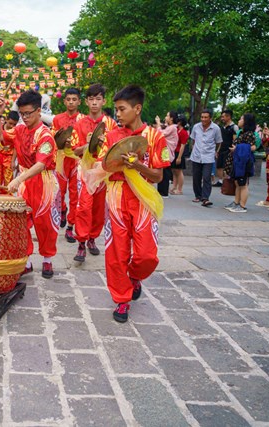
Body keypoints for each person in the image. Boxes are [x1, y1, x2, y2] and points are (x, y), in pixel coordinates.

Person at [95, 85, 170, 322]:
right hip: (116, 196)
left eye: (121, 109)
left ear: (137, 109)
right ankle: (121, 299)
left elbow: (158, 176)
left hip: (143, 196)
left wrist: (136, 165)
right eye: (116, 109)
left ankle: (135, 276)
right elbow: (102, 166)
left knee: (147, 255)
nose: (117, 114)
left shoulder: (155, 137)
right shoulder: (112, 137)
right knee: (116, 251)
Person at [0, 90, 59, 279]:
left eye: (28, 113)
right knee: (20, 222)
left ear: (39, 111)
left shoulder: (45, 135)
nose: (25, 117)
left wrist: (18, 179)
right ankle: (26, 261)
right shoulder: (20, 130)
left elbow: (41, 164)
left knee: (44, 223)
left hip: (43, 182)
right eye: (22, 114)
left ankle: (47, 259)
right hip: (24, 180)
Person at [69, 83, 118, 262]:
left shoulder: (111, 124)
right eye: (91, 99)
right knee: (84, 206)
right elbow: (75, 150)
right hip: (85, 169)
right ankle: (81, 242)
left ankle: (92, 238)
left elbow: (115, 148)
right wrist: (89, 144)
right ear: (87, 102)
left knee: (99, 208)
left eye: (98, 99)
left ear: (104, 101)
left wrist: (105, 143)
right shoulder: (80, 124)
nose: (95, 103)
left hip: (103, 170)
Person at [52, 88, 83, 239]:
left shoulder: (83, 119)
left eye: (74, 99)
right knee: (59, 192)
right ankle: (62, 209)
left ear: (79, 101)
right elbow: (53, 138)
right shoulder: (57, 119)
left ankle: (71, 225)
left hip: (77, 161)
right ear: (64, 101)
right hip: (61, 159)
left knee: (75, 194)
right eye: (68, 99)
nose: (71, 102)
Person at [190, 108, 223, 207]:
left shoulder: (216, 128)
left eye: (206, 117)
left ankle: (205, 198)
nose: (203, 119)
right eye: (202, 117)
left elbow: (218, 142)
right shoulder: (196, 127)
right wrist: (193, 149)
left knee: (206, 177)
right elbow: (193, 140)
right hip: (196, 156)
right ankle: (198, 195)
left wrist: (216, 152)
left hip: (208, 156)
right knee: (196, 177)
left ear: (210, 118)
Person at [225, 113, 256, 213]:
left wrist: (236, 148)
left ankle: (242, 206)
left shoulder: (249, 134)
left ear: (246, 122)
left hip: (244, 163)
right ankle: (236, 202)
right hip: (238, 161)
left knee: (243, 184)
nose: (239, 120)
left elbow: (250, 148)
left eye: (241, 119)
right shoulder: (242, 132)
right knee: (237, 183)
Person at [0, 111, 18, 192]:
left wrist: (13, 161)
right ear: (6, 119)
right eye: (10, 123)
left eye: (14, 124)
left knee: (8, 179)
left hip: (8, 158)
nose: (12, 126)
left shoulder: (15, 132)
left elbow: (16, 148)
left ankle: (8, 198)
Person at [154, 111, 179, 198]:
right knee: (163, 171)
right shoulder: (170, 127)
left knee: (165, 172)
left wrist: (157, 123)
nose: (166, 117)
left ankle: (164, 192)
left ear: (171, 118)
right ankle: (161, 191)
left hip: (167, 153)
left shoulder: (173, 128)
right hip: (165, 152)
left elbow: (161, 133)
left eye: (167, 116)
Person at [215, 109, 238, 187]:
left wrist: (233, 150)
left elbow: (235, 140)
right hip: (221, 149)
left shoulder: (234, 127)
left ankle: (226, 181)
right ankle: (220, 181)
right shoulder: (222, 127)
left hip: (229, 150)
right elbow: (220, 140)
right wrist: (217, 150)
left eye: (223, 117)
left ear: (229, 116)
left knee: (226, 167)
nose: (222, 118)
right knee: (219, 166)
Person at [170, 116, 189, 195]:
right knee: (174, 171)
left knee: (179, 171)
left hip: (178, 152)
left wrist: (179, 157)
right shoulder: (177, 130)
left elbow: (183, 145)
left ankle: (180, 189)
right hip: (174, 151)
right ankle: (174, 187)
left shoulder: (184, 132)